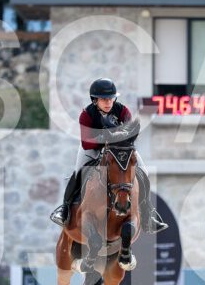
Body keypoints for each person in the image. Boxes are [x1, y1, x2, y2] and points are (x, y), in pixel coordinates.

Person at [50, 78, 168, 234]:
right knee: (78, 173)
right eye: (104, 99)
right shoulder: (86, 115)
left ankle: (148, 214)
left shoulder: (123, 111)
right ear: (95, 100)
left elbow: (130, 134)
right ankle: (64, 210)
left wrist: (118, 137)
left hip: (120, 148)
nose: (108, 102)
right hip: (92, 148)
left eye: (111, 98)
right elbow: (87, 143)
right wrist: (105, 138)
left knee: (143, 172)